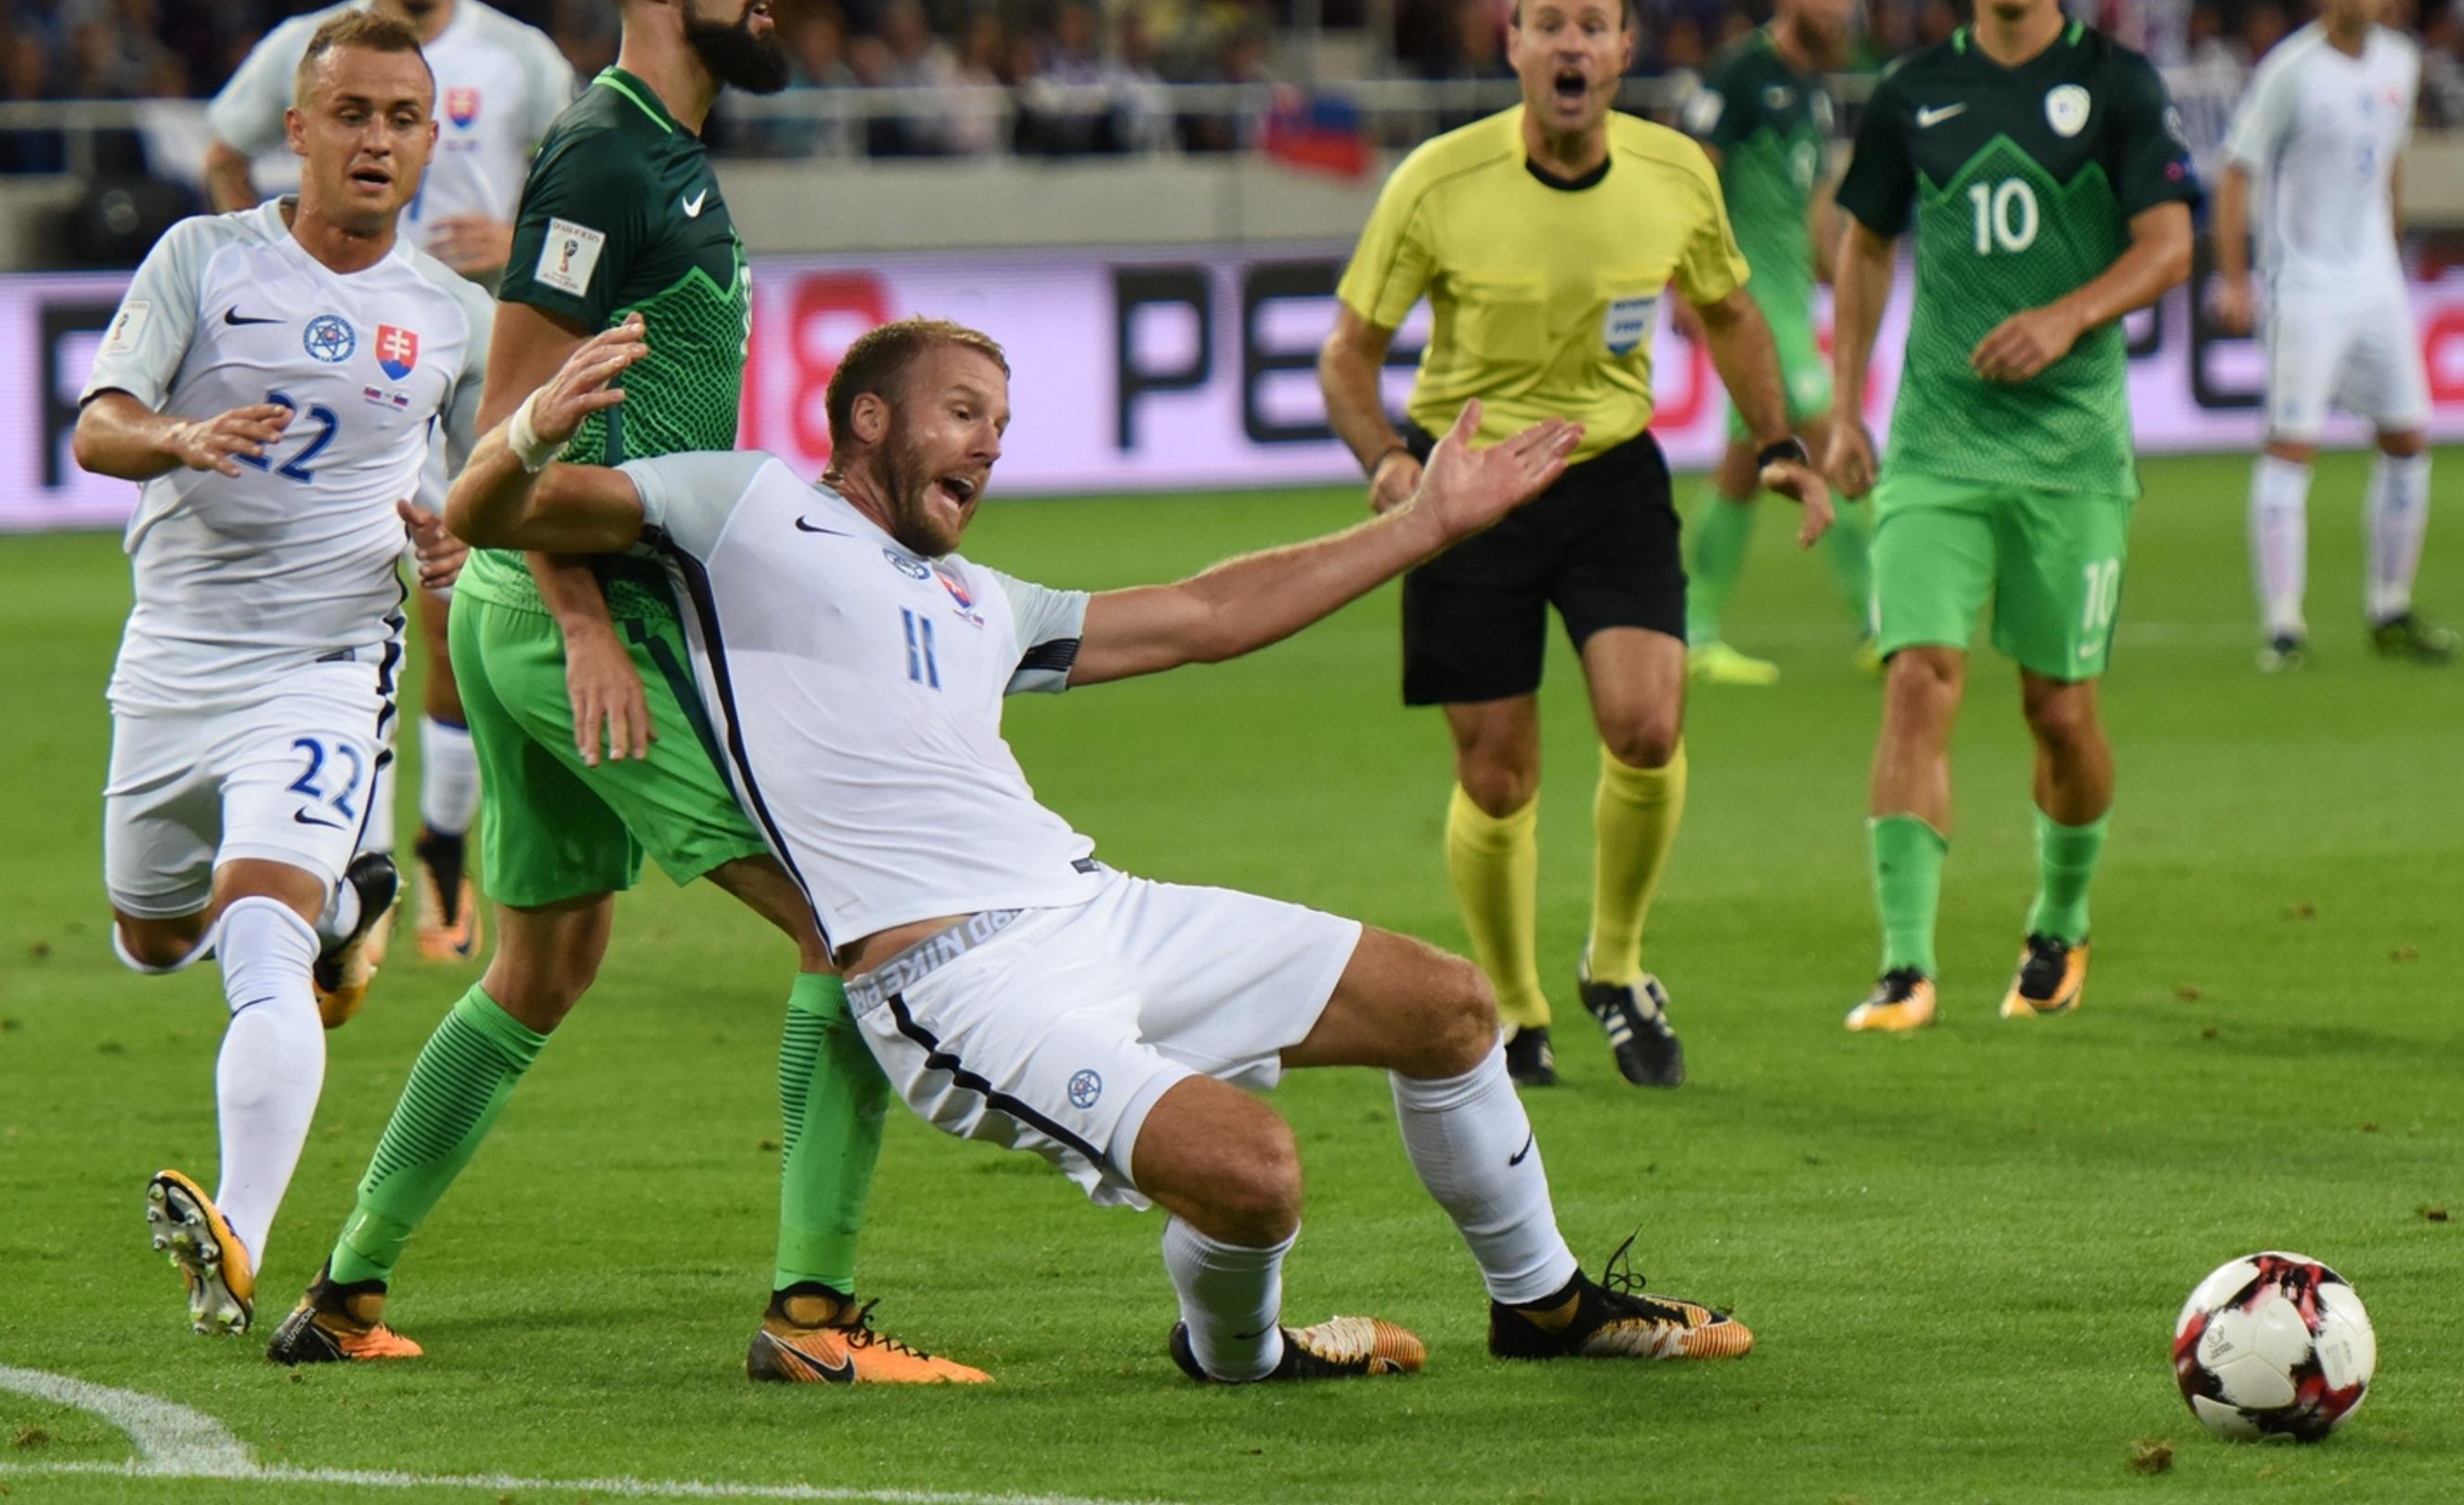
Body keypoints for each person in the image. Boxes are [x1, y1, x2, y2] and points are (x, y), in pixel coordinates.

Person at [445, 315, 1758, 1382]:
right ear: (869, 419)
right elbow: (493, 514)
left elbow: (1202, 613)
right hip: (956, 982)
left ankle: (1544, 1306)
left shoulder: (980, 600)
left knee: (1451, 1006)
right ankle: (1236, 1357)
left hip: (1096, 907)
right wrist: (524, 432)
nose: (991, 446)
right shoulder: (738, 510)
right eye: (965, 412)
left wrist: (1423, 528)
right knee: (1258, 1178)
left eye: (1003, 427)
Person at [266, 0, 979, 1385]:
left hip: (534, 620)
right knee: (858, 925)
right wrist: (589, 621)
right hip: (574, 624)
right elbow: (508, 428)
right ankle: (814, 1319)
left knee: (538, 973)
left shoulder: (665, 150)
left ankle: (345, 1293)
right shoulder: (604, 157)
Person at [1316, 0, 1831, 1092]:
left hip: (1609, 477)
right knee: (1497, 776)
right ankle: (1512, 1006)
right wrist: (1391, 461)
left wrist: (1780, 441)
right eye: (1547, 25)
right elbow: (1348, 355)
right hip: (1468, 488)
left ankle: (1619, 965)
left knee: (1647, 726)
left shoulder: (1674, 171)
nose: (1570, 47)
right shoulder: (1438, 181)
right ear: (1513, 47)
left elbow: (1732, 310)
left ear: (1623, 55)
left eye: (1592, 27)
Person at [71, 10, 490, 1337]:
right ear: (296, 129)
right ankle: (345, 909)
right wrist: (179, 438)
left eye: (402, 118)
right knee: (151, 932)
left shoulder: (453, 314)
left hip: (325, 660)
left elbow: (492, 489)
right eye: (352, 114)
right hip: (173, 659)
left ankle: (237, 1239)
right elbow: (98, 426)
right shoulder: (203, 257)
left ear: (431, 141)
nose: (377, 139)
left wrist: (460, 544)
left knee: (255, 931)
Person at [1825, 0, 2199, 1033]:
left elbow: (2171, 243)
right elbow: (1865, 240)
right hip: (1936, 444)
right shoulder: (1912, 91)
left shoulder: (2121, 86)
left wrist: (2068, 315)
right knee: (1917, 683)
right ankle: (1904, 966)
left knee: (2060, 712)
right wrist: (1843, 408)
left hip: (2071, 453)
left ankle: (2062, 921)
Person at [203, 0, 578, 965]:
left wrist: (520, 241)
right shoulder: (307, 51)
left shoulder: (522, 61)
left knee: (503, 595)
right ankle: (377, 861)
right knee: (412, 594)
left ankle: (442, 844)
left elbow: (585, 202)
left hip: (502, 343)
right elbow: (226, 149)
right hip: (372, 357)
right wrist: (272, 260)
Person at [2212, 0, 2457, 670]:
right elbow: (2234, 173)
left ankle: (2390, 608)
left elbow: (2386, 164)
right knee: (2292, 448)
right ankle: (2284, 626)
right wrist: (2233, 277)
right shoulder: (2291, 71)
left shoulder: (2401, 62)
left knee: (2408, 441)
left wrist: (2393, 243)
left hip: (2376, 282)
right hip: (2306, 287)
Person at [1679, 0, 1879, 686]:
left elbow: (1814, 212)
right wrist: (1685, 286)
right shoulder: (1740, 72)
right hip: (1748, 302)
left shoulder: (1813, 91)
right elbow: (1692, 172)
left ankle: (1692, 633)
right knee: (1830, 439)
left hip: (1791, 298)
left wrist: (1845, 275)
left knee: (1743, 467)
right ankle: (1881, 618)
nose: (1834, 3)